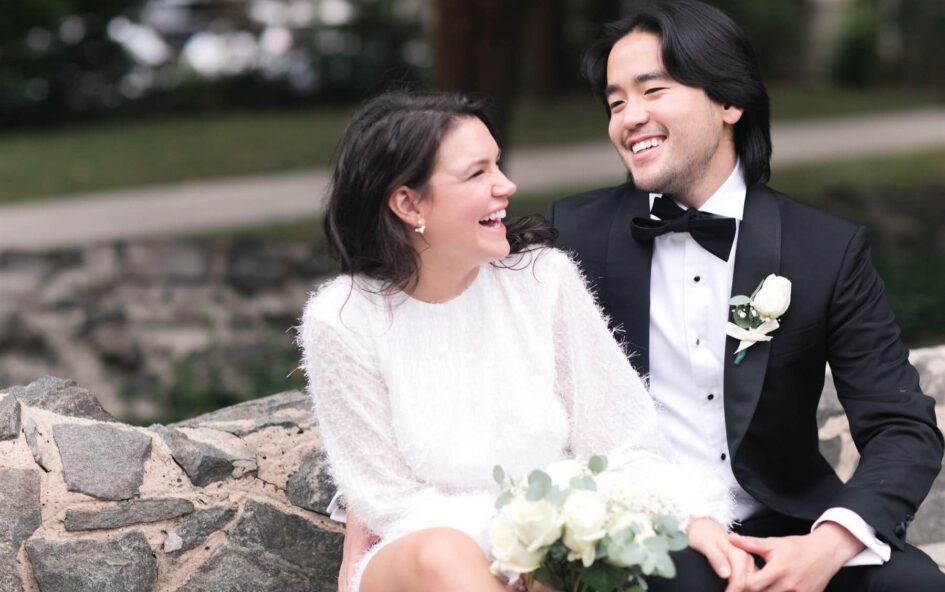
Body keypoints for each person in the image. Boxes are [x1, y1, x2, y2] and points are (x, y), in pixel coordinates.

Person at [546, 1, 945, 591]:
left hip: (789, 524)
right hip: (644, 527)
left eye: (653, 90)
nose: (629, 118)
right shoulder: (572, 235)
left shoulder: (823, 249)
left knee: (915, 585)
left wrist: (829, 544)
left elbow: (900, 426)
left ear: (729, 102)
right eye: (616, 101)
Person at [299, 91, 747, 592]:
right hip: (417, 554)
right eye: (478, 173)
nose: (506, 186)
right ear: (407, 203)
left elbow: (624, 440)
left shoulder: (542, 278)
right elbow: (390, 501)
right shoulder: (341, 320)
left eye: (499, 165)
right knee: (444, 554)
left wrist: (687, 514)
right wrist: (520, 546)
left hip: (558, 543)